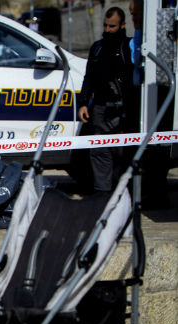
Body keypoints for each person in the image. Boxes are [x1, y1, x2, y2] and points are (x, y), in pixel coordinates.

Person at [77, 7, 135, 192]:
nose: (108, 30)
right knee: (99, 151)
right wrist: (84, 102)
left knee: (120, 153)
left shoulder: (128, 47)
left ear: (123, 25)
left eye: (112, 26)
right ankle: (102, 194)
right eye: (105, 25)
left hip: (122, 109)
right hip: (100, 107)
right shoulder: (98, 47)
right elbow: (89, 77)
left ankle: (119, 192)